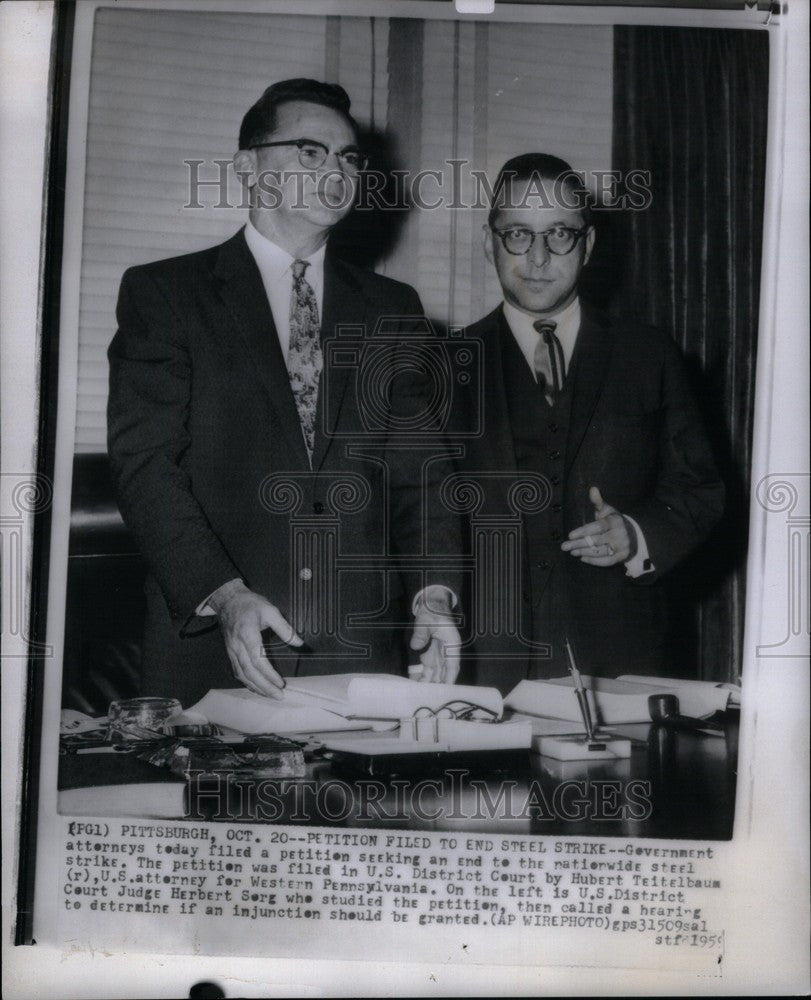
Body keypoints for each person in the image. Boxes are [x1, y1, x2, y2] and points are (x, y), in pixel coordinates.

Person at [107, 79, 461, 707]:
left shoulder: (394, 310)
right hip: (214, 649)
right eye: (310, 151)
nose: (336, 170)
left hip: (360, 655)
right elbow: (146, 468)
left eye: (349, 158)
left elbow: (422, 477)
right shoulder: (165, 295)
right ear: (249, 167)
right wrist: (226, 594)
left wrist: (433, 595)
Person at [451, 153, 724, 691]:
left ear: (589, 245)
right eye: (517, 235)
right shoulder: (442, 364)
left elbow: (699, 491)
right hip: (481, 670)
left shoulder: (649, 356)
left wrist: (638, 534)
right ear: (488, 243)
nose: (537, 257)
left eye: (560, 235)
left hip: (622, 662)